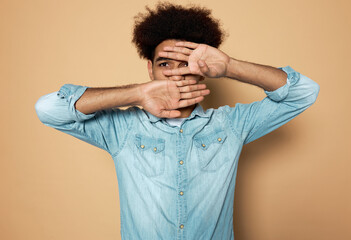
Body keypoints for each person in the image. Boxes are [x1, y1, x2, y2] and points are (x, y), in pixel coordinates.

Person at [35, 2, 320, 240]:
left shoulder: (230, 125)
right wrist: (136, 93)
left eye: (186, 63)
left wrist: (230, 66)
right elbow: (48, 109)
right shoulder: (123, 130)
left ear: (204, 71)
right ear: (150, 69)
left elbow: (304, 92)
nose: (175, 74)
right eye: (164, 64)